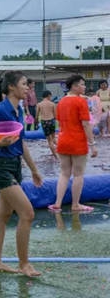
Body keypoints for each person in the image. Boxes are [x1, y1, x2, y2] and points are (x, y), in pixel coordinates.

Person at [0, 71, 43, 277]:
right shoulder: (0, 110)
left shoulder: (18, 110)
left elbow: (21, 142)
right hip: (1, 167)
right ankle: (24, 264)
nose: (28, 87)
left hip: (14, 165)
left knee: (2, 215)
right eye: (24, 84)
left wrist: (33, 170)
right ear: (11, 87)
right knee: (27, 213)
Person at [49, 74, 98, 213]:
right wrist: (93, 144)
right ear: (75, 86)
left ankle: (57, 203)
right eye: (82, 84)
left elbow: (60, 122)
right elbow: (86, 125)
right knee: (78, 174)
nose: (85, 87)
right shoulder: (81, 102)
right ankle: (75, 204)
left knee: (64, 173)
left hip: (63, 141)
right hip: (77, 142)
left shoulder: (61, 101)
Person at [36, 90, 57, 158]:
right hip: (52, 121)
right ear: (48, 96)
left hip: (44, 122)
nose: (51, 97)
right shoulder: (52, 104)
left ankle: (56, 156)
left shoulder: (39, 104)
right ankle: (62, 151)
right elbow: (55, 116)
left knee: (49, 141)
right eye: (51, 96)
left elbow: (36, 116)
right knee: (54, 138)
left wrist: (36, 122)